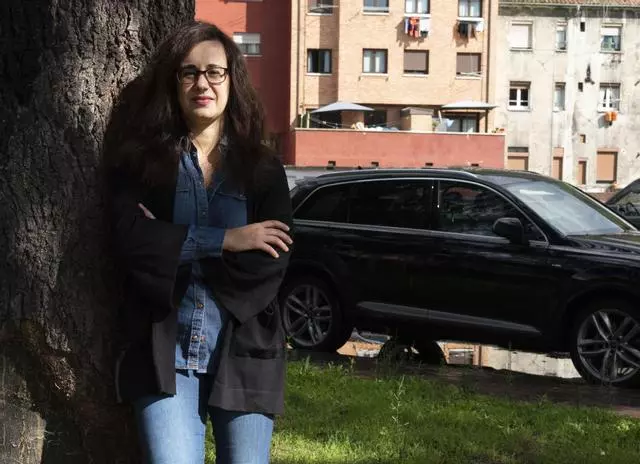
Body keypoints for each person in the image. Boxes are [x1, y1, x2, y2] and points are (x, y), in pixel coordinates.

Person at [102, 21, 293, 464]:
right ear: (173, 83)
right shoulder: (143, 164)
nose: (202, 83)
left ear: (232, 80)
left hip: (244, 353)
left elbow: (271, 261)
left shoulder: (263, 168)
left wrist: (171, 243)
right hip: (163, 352)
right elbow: (131, 243)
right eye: (189, 72)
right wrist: (228, 239)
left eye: (214, 72)